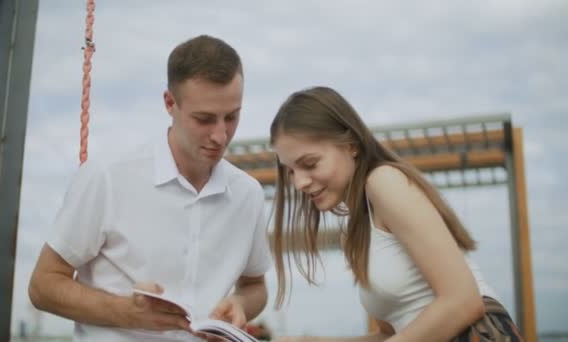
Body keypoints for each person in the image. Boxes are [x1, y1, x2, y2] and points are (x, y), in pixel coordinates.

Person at [28, 35, 272, 342]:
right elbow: (42, 286)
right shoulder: (107, 177)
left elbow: (255, 287)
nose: (221, 136)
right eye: (204, 119)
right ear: (170, 103)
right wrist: (127, 312)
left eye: (232, 117)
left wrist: (239, 304)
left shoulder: (248, 195)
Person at [268, 87, 522, 341]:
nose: (299, 182)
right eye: (290, 170)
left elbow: (464, 301)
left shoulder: (383, 182)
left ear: (351, 146)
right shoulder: (356, 231)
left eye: (309, 163)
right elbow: (390, 335)